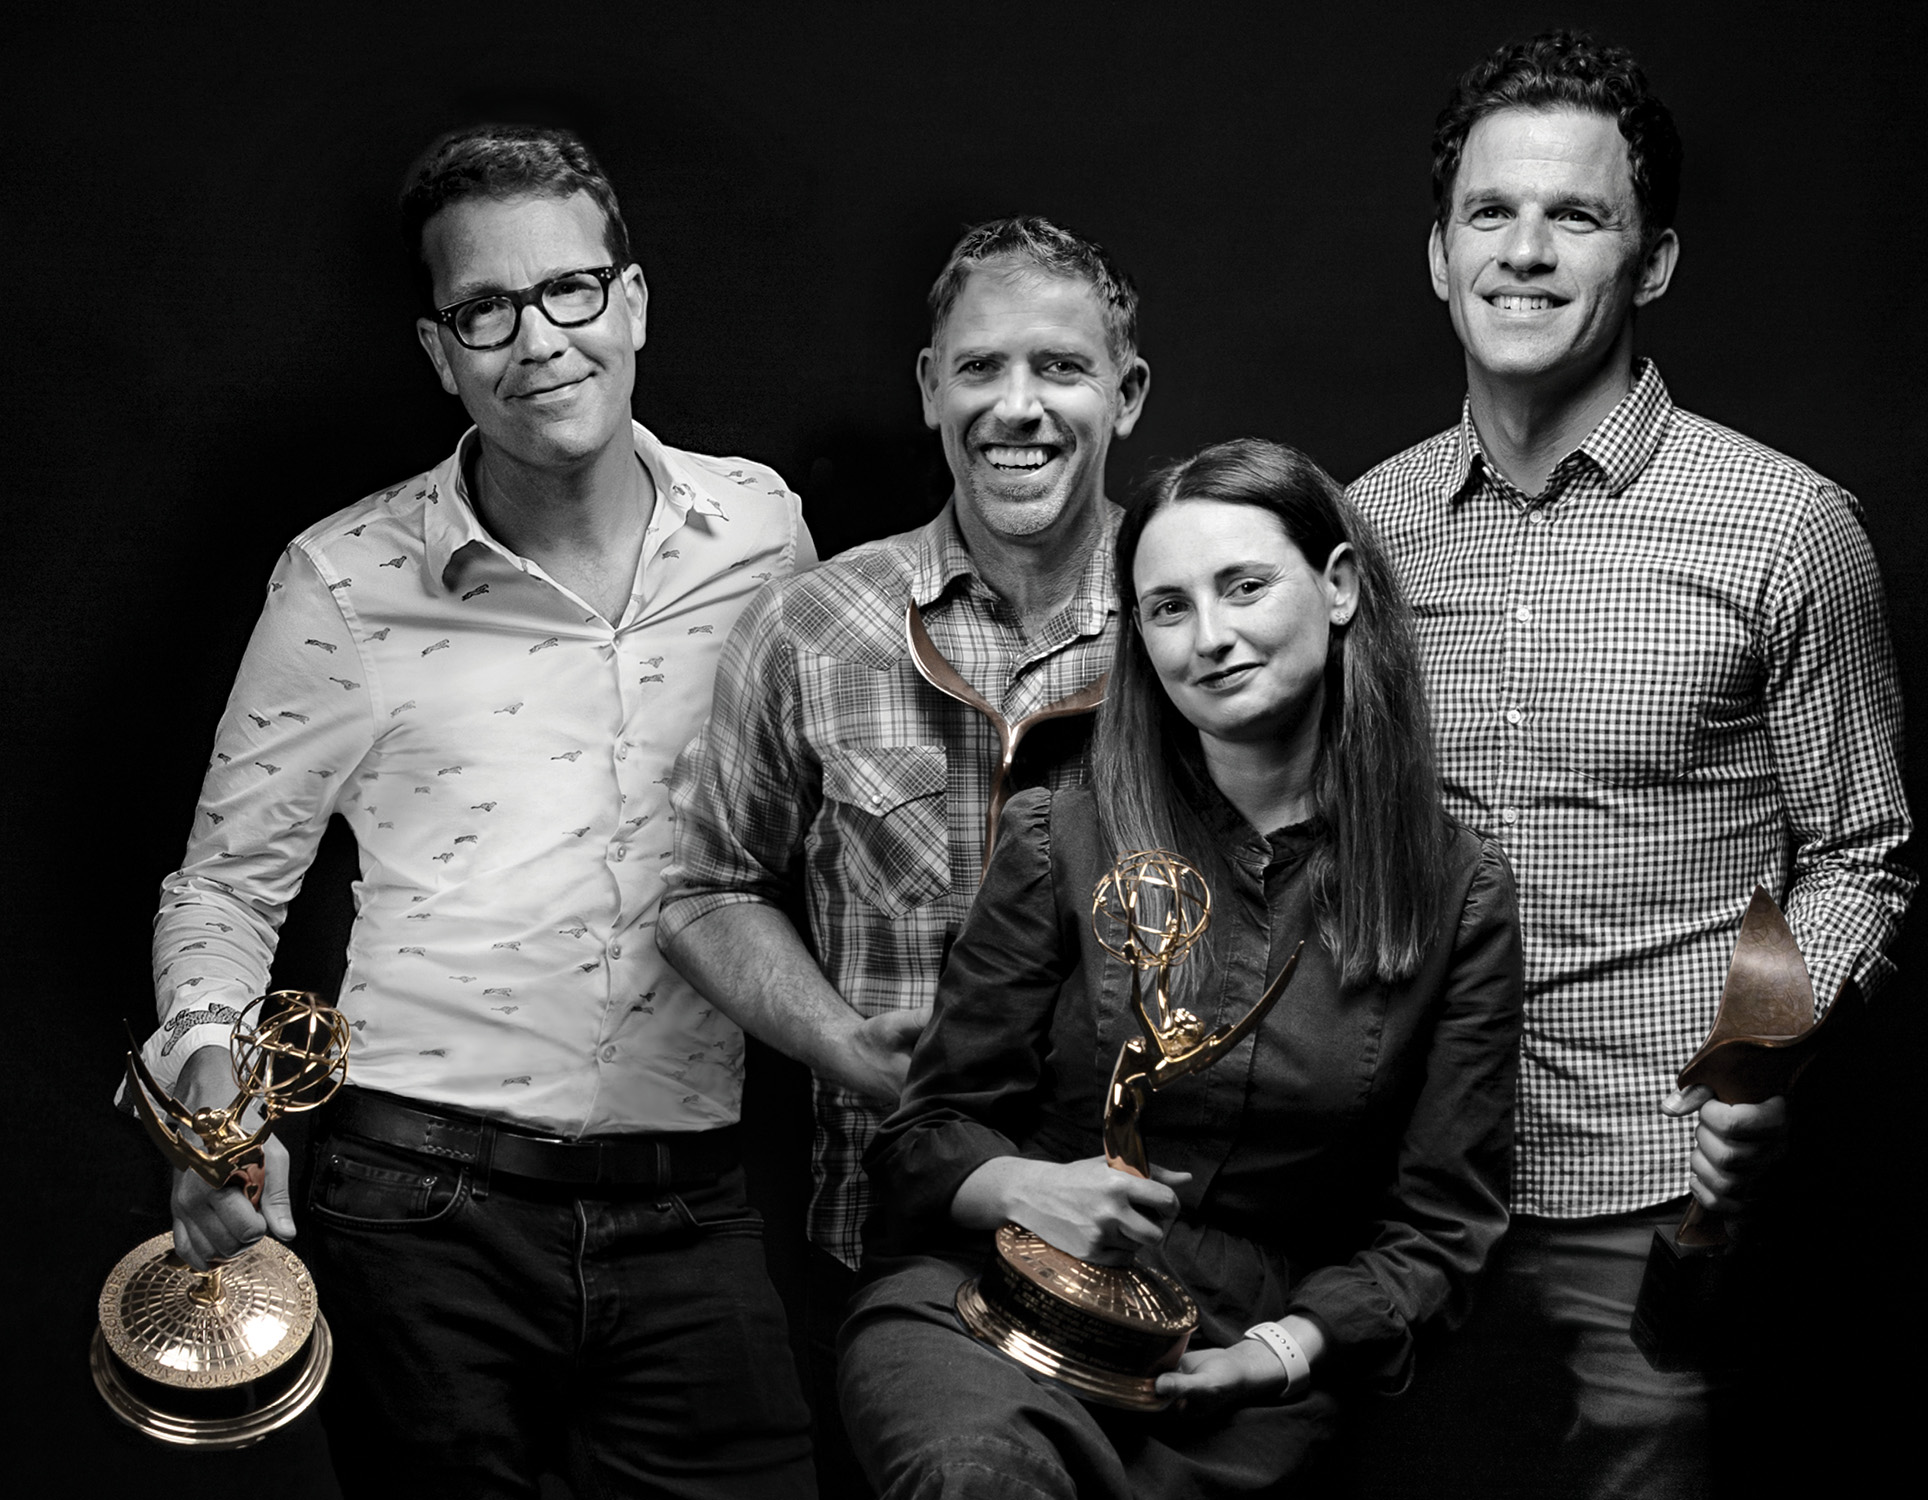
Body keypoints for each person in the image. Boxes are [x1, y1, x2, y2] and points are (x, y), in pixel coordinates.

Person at [135, 125, 816, 1496]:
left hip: (691, 1196)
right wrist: (207, 1097)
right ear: (441, 352)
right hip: (416, 1204)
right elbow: (222, 888)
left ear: (631, 299)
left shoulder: (762, 531)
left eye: (569, 289)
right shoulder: (340, 578)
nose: (539, 340)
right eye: (485, 309)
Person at [1345, 30, 1915, 1497]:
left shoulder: (1787, 529)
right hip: (1396, 1193)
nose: (1525, 254)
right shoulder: (1361, 535)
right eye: (1491, 213)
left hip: (1650, 1202)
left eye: (1577, 216)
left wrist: (1754, 1070)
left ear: (1650, 262)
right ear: (1436, 253)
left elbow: (1860, 853)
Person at [839, 438, 1525, 1498]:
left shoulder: (1453, 891)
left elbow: (1441, 1224)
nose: (1208, 638)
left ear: (1336, 587)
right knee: (978, 1477)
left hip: (1238, 1360)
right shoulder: (1056, 835)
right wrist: (1023, 1186)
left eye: (1242, 587)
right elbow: (922, 1137)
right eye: (1166, 608)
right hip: (991, 1306)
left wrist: (1286, 1350)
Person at [657, 216, 1151, 1486]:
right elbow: (704, 889)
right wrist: (842, 1046)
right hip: (884, 1237)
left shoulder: (1197, 616)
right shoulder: (810, 626)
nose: (1017, 408)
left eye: (1061, 368)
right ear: (930, 389)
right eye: (980, 368)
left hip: (1157, 1252)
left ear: (1127, 393)